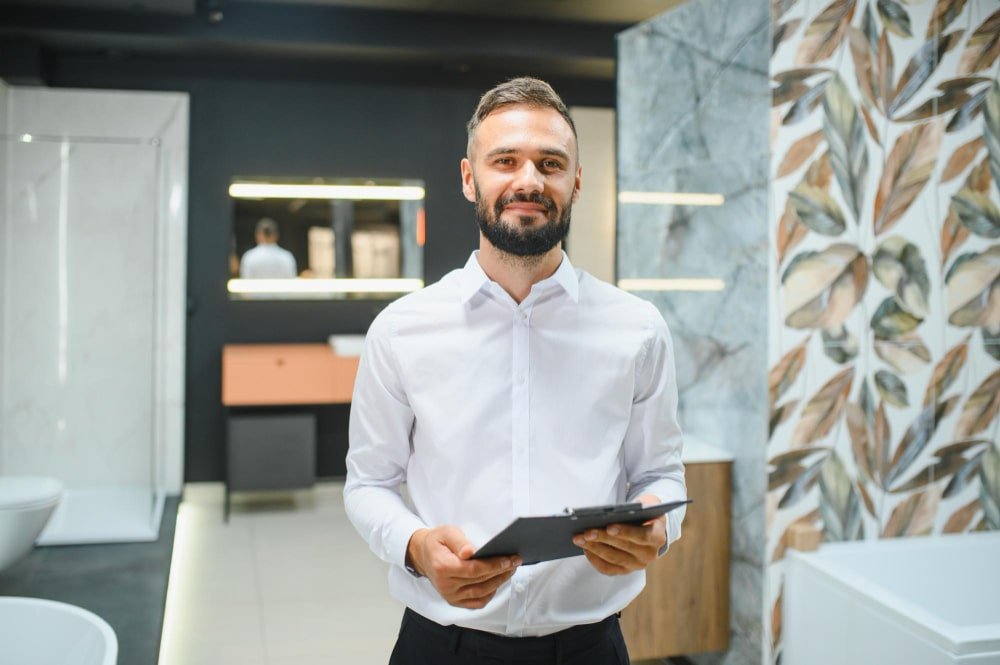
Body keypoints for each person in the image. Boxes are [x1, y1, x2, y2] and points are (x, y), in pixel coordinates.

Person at [344, 77, 687, 665]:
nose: (529, 180)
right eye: (506, 160)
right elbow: (369, 483)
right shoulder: (402, 330)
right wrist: (416, 545)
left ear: (576, 181)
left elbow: (662, 474)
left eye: (550, 163)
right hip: (440, 645)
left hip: (591, 646)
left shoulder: (638, 329)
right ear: (469, 177)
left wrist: (658, 532)